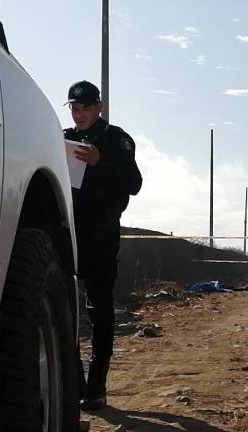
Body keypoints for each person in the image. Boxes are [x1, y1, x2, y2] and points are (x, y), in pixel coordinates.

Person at [64, 80, 142, 411]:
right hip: (66, 231)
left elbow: (134, 184)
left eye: (85, 108)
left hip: (100, 233)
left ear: (100, 107)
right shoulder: (64, 138)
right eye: (74, 109)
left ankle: (96, 386)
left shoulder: (117, 139)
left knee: (100, 310)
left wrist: (101, 161)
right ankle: (73, 383)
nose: (80, 115)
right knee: (63, 309)